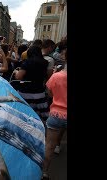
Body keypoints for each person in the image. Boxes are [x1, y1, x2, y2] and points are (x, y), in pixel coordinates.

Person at [42, 49, 67, 180]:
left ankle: (44, 172)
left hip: (56, 114)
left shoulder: (56, 76)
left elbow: (50, 93)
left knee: (49, 146)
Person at [14, 45, 49, 122]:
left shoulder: (27, 62)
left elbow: (18, 77)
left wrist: (16, 72)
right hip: (39, 92)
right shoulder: (45, 62)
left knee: (26, 113)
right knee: (39, 115)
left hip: (25, 91)